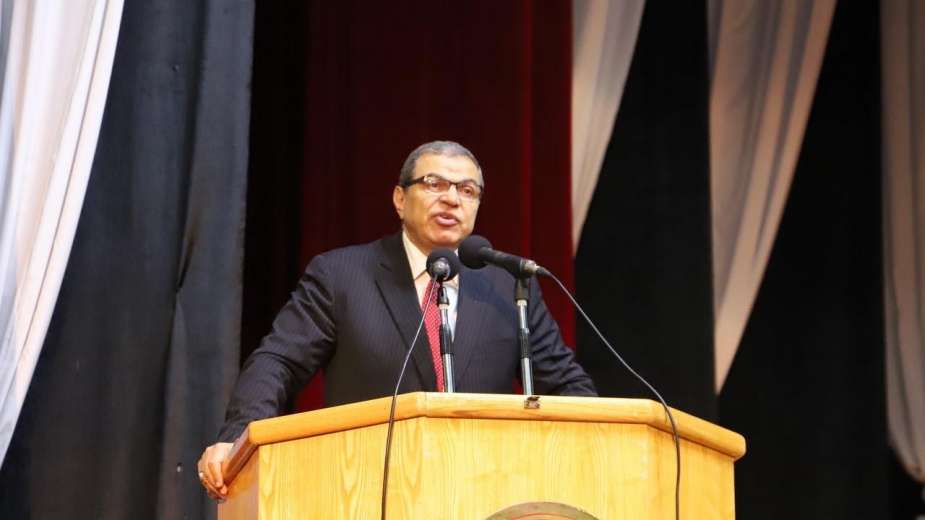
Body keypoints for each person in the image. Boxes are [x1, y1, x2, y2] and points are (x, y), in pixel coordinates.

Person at [197, 140, 596, 499]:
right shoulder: (342, 276)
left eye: (467, 190)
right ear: (400, 199)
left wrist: (600, 441)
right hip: (367, 488)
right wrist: (237, 438)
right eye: (435, 184)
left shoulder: (509, 287)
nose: (451, 199)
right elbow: (278, 361)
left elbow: (566, 384)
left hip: (486, 490)